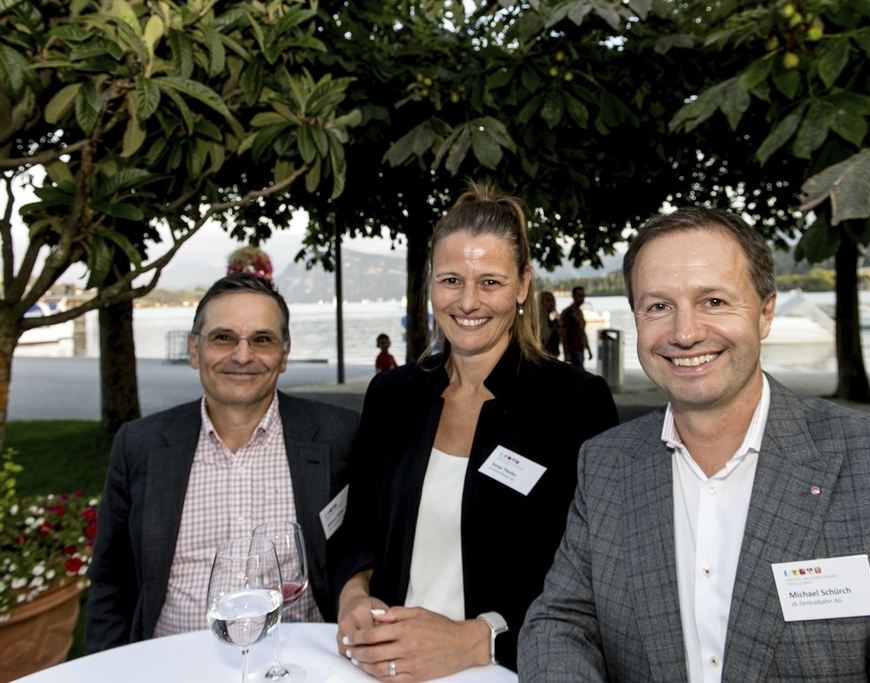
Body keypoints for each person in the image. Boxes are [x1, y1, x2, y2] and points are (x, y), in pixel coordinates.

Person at [519, 207, 870, 682]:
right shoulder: (605, 464)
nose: (685, 333)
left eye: (714, 301)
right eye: (659, 306)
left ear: (766, 312)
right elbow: (562, 622)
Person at [334, 184, 619, 680]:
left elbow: (595, 572)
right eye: (450, 280)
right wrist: (353, 594)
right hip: (386, 664)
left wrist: (479, 638)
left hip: (508, 668)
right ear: (430, 284)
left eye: (490, 282)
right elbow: (357, 530)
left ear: (523, 284)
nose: (468, 302)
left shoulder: (574, 402)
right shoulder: (391, 396)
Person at [85, 273, 360, 652]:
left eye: (262, 340)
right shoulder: (141, 445)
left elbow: (366, 551)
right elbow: (110, 582)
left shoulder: (339, 436)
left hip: (300, 662)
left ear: (284, 354)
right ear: (194, 349)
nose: (242, 355)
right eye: (223, 338)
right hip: (169, 665)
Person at [559, 286, 592, 367]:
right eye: (580, 295)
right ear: (573, 296)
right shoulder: (568, 313)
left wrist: (588, 349)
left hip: (581, 349)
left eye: (583, 296)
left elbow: (583, 332)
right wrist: (566, 353)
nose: (582, 298)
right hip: (572, 350)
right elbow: (564, 334)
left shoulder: (580, 312)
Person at [537, 291, 561, 358]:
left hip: (554, 356)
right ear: (541, 303)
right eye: (548, 300)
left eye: (553, 300)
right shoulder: (539, 320)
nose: (551, 303)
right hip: (544, 357)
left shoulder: (552, 321)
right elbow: (544, 336)